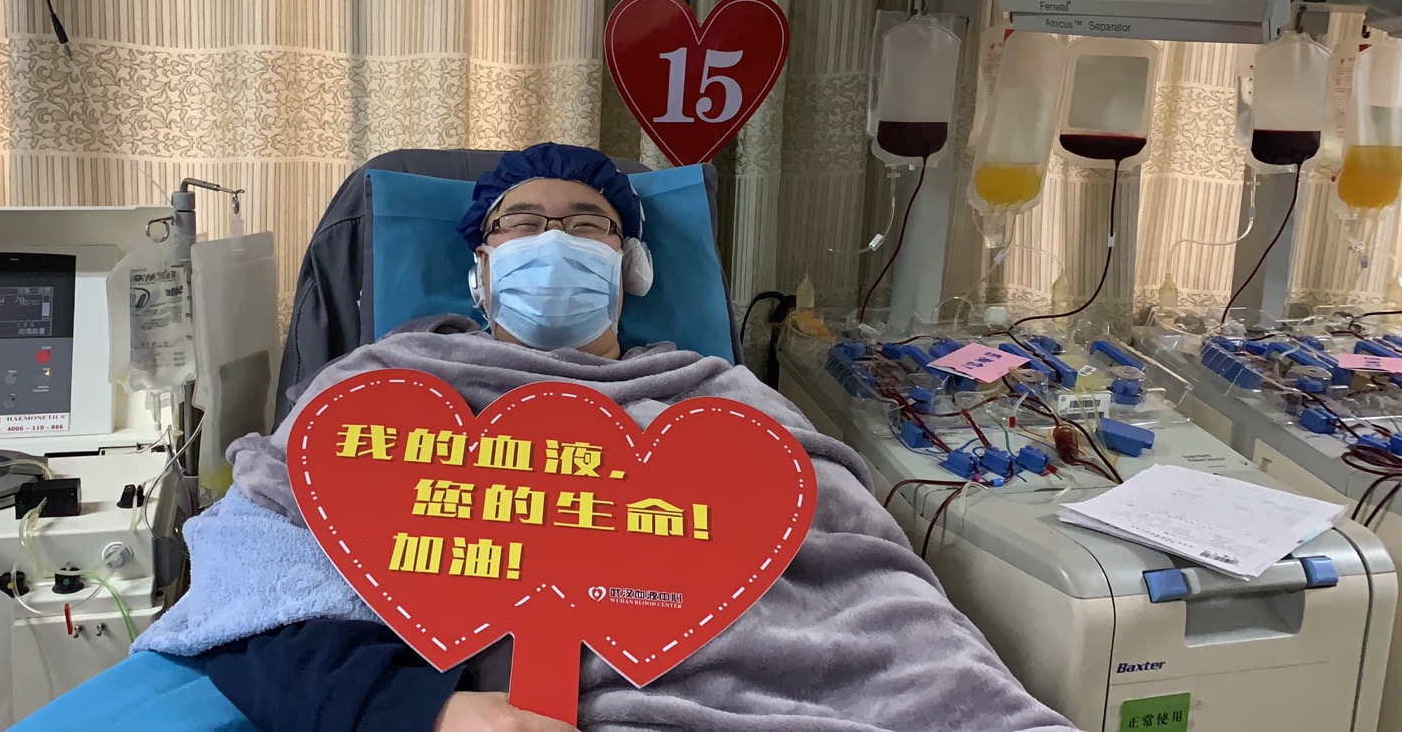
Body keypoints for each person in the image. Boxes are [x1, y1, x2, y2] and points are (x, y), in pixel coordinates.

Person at [110, 144, 1080, 732]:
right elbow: (259, 571)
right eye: (521, 223)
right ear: (480, 267)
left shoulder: (721, 395)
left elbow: (860, 576)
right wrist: (423, 711)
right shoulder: (385, 385)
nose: (554, 239)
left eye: (588, 225)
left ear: (632, 267)